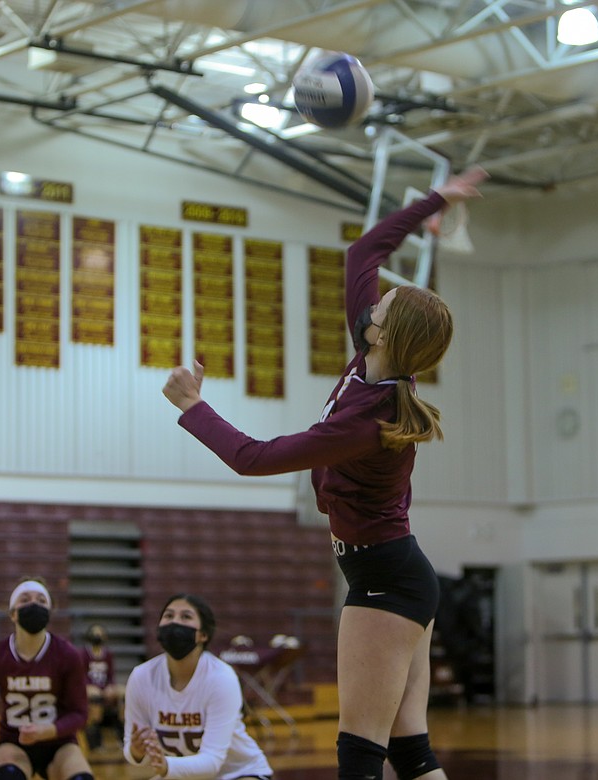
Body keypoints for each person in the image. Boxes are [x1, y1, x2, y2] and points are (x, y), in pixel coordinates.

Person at [161, 166, 486, 780]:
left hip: (386, 581)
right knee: (410, 754)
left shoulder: (372, 417)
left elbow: (252, 457)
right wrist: (436, 200)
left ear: (384, 330)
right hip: (398, 574)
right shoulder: (373, 359)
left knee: (359, 757)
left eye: (382, 303)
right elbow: (365, 250)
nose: (375, 297)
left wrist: (192, 407)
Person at [122, 594, 272, 780]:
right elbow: (130, 750)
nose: (174, 622)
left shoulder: (221, 677)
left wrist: (167, 765)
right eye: (168, 616)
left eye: (186, 617)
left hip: (238, 774)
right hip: (183, 775)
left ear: (203, 634)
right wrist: (136, 751)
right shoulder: (141, 676)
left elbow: (212, 761)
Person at [0, 579, 93, 780]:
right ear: (13, 613)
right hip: (14, 742)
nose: (34, 604)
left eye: (41, 600)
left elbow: (80, 713)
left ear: (49, 612)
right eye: (25, 599)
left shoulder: (67, 654)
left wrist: (45, 731)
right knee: (7, 776)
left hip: (59, 742)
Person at [81, 624, 122, 750]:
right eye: (95, 633)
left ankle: (123, 737)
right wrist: (92, 687)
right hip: (90, 688)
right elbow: (81, 676)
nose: (97, 636)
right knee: (95, 697)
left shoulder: (108, 654)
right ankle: (95, 741)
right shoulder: (83, 653)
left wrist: (110, 687)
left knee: (123, 694)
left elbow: (111, 675)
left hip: (104, 687)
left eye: (100, 633)